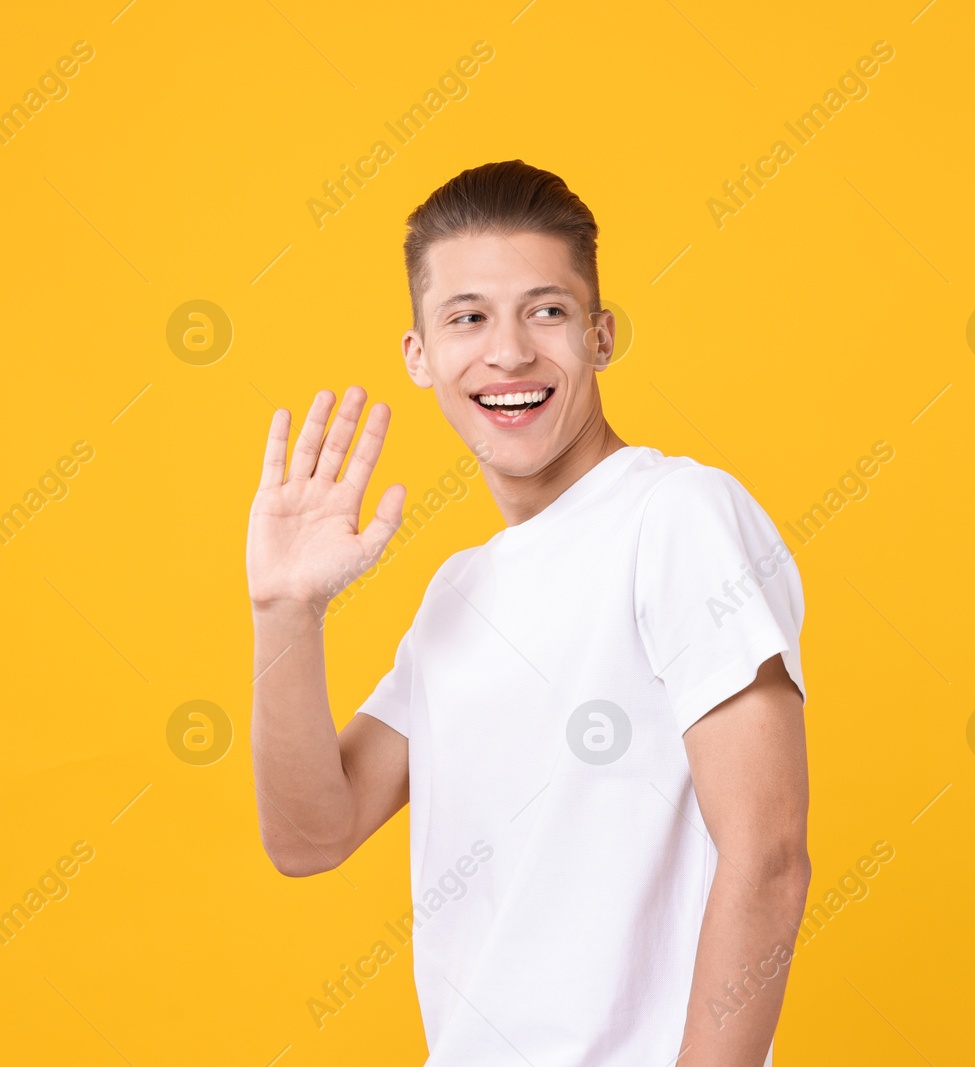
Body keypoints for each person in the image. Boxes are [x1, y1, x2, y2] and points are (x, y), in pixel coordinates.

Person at [246, 160, 810, 1066]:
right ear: (420, 354)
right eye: (468, 317)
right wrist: (285, 611)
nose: (508, 352)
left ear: (600, 335)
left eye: (545, 311)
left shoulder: (675, 515)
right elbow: (312, 835)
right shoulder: (459, 594)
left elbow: (770, 854)